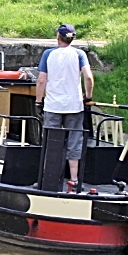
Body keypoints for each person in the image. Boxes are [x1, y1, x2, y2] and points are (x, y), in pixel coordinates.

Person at [35, 23, 94, 187]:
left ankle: (49, 179)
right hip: (74, 105)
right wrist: (88, 97)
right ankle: (74, 180)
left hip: (53, 106)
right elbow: (88, 78)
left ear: (57, 37)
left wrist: (38, 102)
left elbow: (41, 80)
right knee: (75, 140)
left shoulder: (48, 54)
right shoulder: (79, 54)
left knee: (51, 141)